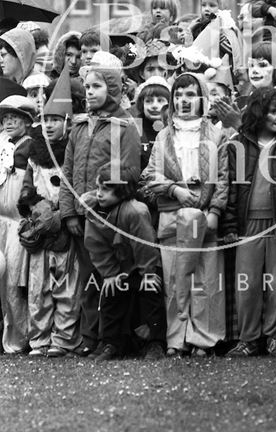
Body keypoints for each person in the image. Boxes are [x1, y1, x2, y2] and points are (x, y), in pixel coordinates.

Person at [140, 72, 228, 356]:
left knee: (205, 279)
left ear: (202, 98)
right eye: (178, 95)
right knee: (175, 279)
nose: (183, 101)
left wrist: (214, 209)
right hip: (173, 215)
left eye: (190, 95)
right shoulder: (164, 135)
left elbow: (224, 178)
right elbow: (150, 175)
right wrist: (174, 190)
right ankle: (176, 339)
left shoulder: (217, 134)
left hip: (203, 213)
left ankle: (203, 338)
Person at [59, 56, 141, 356]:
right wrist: (69, 211)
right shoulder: (80, 127)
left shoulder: (125, 126)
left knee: (111, 278)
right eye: (88, 86)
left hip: (108, 215)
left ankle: (111, 340)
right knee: (88, 280)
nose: (89, 91)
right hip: (80, 217)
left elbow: (130, 172)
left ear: (113, 87)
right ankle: (89, 338)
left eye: (97, 86)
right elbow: (67, 172)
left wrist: (102, 201)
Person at [225, 87, 276, 357]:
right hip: (249, 223)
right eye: (273, 111)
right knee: (247, 284)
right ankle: (248, 339)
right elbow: (232, 187)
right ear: (260, 112)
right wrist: (231, 226)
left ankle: (275, 338)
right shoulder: (240, 143)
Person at [17, 67, 82, 357]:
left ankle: (63, 340)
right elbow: (26, 190)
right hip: (41, 231)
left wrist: (60, 212)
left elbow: (76, 187)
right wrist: (35, 206)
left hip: (64, 230)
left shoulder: (73, 151)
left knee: (65, 286)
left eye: (56, 120)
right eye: (47, 120)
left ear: (67, 122)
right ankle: (40, 339)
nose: (51, 125)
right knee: (38, 288)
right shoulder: (34, 153)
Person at [83, 164, 166, 361]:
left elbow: (144, 244)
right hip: (116, 267)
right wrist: (110, 274)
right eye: (98, 188)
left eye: (106, 189)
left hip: (143, 265)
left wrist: (147, 273)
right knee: (110, 292)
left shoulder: (135, 211)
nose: (99, 194)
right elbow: (96, 246)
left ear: (122, 191)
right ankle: (112, 342)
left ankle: (155, 343)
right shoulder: (93, 210)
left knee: (150, 291)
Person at [0, 95, 36, 352]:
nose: (9, 122)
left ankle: (20, 338)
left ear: (26, 121)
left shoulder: (30, 146)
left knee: (15, 281)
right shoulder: (2, 146)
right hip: (0, 221)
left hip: (19, 221)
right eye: (5, 118)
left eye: (15, 117)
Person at [134, 76, 170, 171]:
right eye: (149, 101)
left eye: (160, 100)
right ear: (142, 105)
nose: (154, 105)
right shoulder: (132, 129)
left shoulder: (177, 129)